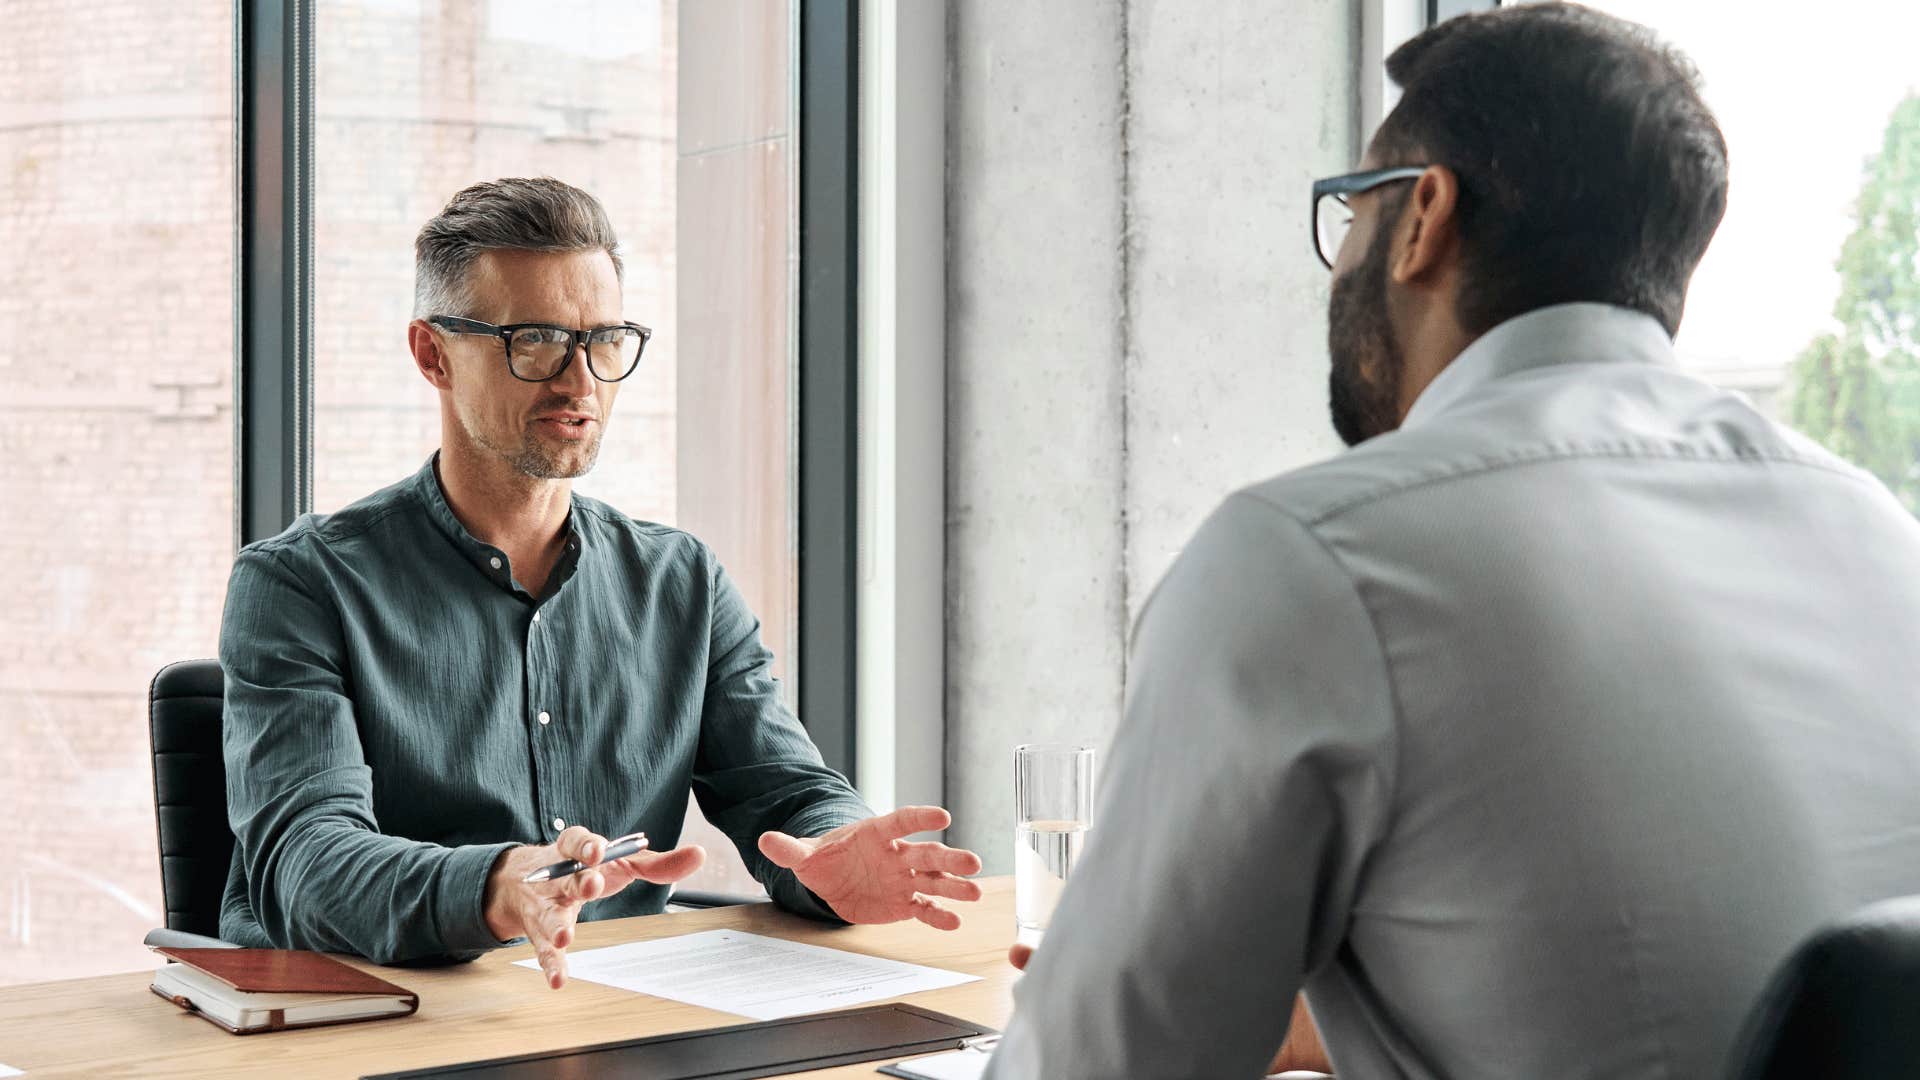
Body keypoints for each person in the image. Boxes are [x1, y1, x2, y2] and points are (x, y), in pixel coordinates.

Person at [986, 5, 1920, 1077]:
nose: (1343, 267)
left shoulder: (1316, 559)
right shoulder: (1879, 534)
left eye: (1353, 215)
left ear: (1423, 214)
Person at [218, 178, 982, 987]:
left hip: (615, 1024)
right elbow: (304, 862)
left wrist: (832, 848)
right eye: (537, 339)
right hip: (379, 1033)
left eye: (605, 339)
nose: (580, 381)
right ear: (432, 353)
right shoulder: (300, 585)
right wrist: (497, 889)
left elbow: (787, 796)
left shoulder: (680, 582)